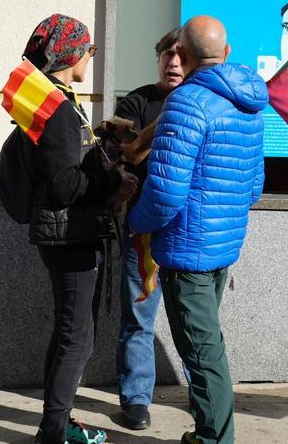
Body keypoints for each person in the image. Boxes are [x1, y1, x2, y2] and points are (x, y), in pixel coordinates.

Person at [129, 15, 267, 444]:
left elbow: (166, 192)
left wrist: (135, 222)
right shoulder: (250, 105)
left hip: (187, 251)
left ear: (184, 56)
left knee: (203, 355)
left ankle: (212, 438)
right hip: (222, 247)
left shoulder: (185, 103)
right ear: (226, 54)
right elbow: (254, 185)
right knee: (207, 346)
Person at [23, 14, 137, 444]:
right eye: (88, 49)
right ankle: (54, 431)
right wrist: (112, 180)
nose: (90, 57)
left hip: (68, 234)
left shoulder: (53, 101)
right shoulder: (58, 110)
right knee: (76, 339)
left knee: (70, 334)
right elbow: (65, 184)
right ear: (72, 53)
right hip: (70, 236)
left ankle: (55, 424)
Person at [113, 27, 184, 430]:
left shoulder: (206, 100)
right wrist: (168, 130)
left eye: (180, 55)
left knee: (195, 318)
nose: (172, 62)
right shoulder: (137, 102)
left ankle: (202, 393)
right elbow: (131, 157)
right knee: (139, 317)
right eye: (166, 55)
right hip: (145, 230)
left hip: (191, 231)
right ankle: (137, 398)